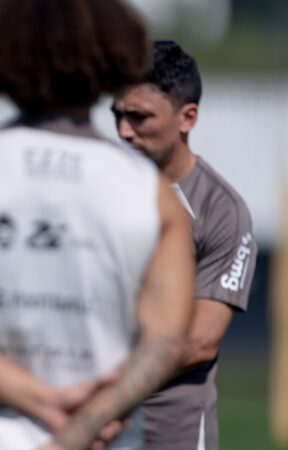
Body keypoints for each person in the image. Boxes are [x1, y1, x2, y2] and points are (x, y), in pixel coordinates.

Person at [0, 1, 196, 449]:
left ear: (1, 51)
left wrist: (39, 401)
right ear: (112, 56)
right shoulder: (150, 193)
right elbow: (166, 341)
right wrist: (78, 425)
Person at [112, 40, 257, 450]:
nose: (123, 131)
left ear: (187, 117)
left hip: (167, 426)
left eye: (138, 117)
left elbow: (199, 341)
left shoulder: (221, 210)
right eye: (117, 115)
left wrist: (101, 385)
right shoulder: (94, 186)